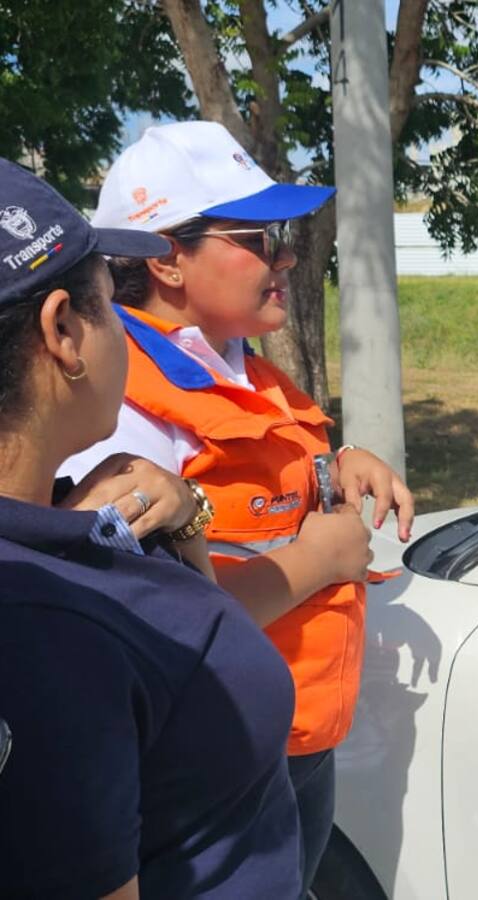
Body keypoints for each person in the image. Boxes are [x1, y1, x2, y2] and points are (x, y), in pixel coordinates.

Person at [61, 120, 415, 895]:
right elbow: (148, 621)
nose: (286, 255)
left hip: (290, 737)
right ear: (167, 258)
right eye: (258, 236)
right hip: (219, 754)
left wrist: (335, 466)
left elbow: (254, 494)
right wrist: (319, 561)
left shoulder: (234, 364)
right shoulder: (120, 416)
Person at [0, 159, 301, 897]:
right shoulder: (40, 624)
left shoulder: (63, 516)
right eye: (110, 305)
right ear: (64, 331)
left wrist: (187, 518)